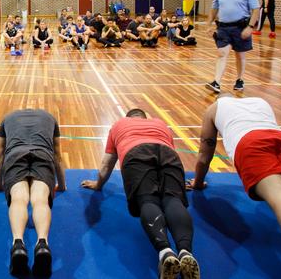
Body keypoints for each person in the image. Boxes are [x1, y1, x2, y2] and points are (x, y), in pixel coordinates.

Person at [82, 109, 200, 279]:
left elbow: (107, 164)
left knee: (148, 201)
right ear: (145, 118)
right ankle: (185, 252)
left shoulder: (118, 125)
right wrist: (179, 184)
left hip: (136, 153)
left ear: (127, 118)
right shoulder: (160, 124)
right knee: (173, 200)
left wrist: (98, 184)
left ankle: (165, 252)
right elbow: (167, 150)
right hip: (168, 154)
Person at [188, 94, 281, 254]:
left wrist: (198, 183)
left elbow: (204, 157)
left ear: (219, 99)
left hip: (250, 144)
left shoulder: (213, 108)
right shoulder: (260, 101)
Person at [0, 109, 66, 277]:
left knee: (19, 198)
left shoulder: (7, 117)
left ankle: (18, 244)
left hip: (15, 155)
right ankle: (42, 243)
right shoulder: (51, 118)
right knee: (40, 199)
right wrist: (61, 184)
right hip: (43, 155)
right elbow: (58, 156)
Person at [205, 0, 260, 93]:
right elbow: (214, 9)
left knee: (240, 55)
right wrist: (209, 24)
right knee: (221, 53)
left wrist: (250, 27)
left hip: (241, 28)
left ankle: (240, 80)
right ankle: (216, 82)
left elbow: (256, 9)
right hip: (223, 28)